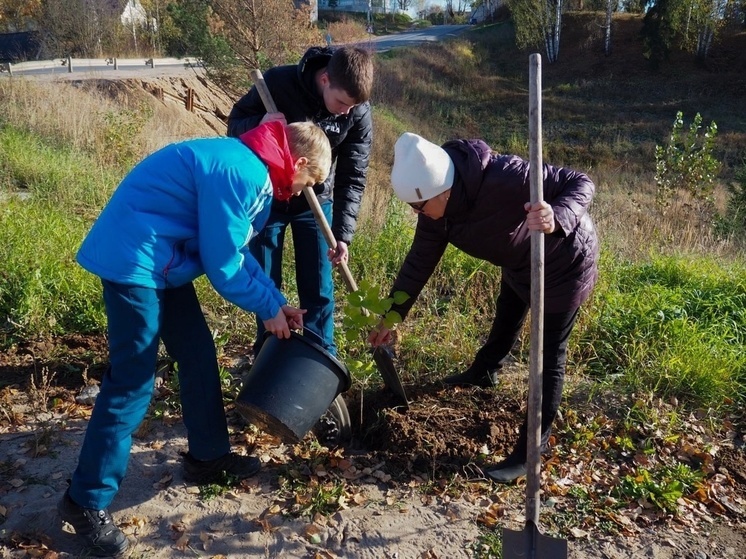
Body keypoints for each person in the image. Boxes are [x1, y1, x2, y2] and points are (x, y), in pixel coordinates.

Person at [59, 121, 332, 557]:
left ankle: (208, 457)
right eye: (309, 182)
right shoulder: (243, 172)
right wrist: (266, 312)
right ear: (298, 162)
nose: (303, 191)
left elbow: (235, 252)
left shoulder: (249, 165)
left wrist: (277, 303)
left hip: (162, 260)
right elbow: (223, 266)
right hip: (136, 259)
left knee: (198, 353)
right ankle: (83, 502)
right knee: (133, 380)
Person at [368, 132, 599, 484]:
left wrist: (557, 217)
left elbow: (580, 182)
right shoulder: (436, 214)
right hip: (519, 259)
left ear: (443, 191)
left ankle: (529, 454)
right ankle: (484, 371)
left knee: (548, 358)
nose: (417, 214)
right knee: (507, 314)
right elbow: (418, 262)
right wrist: (392, 315)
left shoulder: (506, 176)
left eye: (419, 206)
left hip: (563, 262)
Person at [227, 45, 374, 357]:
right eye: (341, 103)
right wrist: (261, 124)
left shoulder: (356, 109)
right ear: (324, 80)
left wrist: (343, 234)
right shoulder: (278, 82)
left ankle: (321, 357)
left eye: (353, 106)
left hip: (316, 204)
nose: (346, 111)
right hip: (269, 200)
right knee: (266, 280)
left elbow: (353, 173)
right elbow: (235, 123)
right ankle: (269, 351)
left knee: (318, 286)